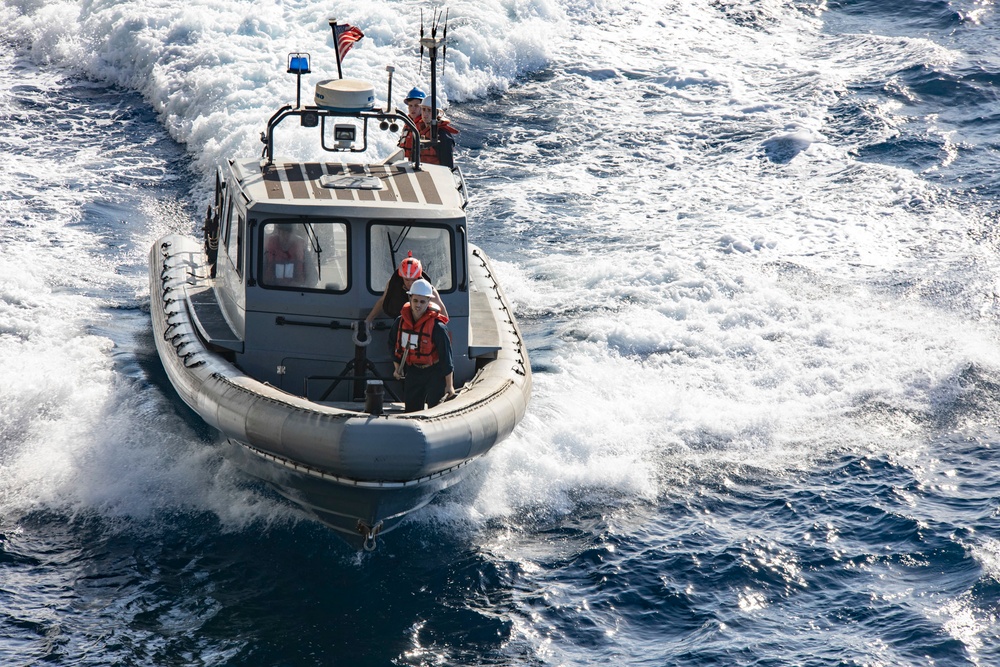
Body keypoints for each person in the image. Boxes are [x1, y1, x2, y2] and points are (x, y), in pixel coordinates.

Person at [388, 278, 456, 412]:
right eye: (415, 301)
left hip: (434, 373)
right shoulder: (400, 322)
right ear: (410, 298)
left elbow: (446, 357)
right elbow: (392, 345)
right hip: (414, 371)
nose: (418, 305)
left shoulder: (438, 327)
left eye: (422, 301)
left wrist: (449, 385)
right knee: (411, 409)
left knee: (435, 410)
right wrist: (397, 367)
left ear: (429, 302)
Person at [365, 251, 447, 325]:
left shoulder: (427, 288)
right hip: (400, 325)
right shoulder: (394, 283)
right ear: (401, 277)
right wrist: (368, 320)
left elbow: (442, 310)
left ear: (418, 277)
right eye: (407, 279)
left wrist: (442, 330)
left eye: (413, 280)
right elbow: (382, 301)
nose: (410, 283)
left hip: (422, 328)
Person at [418, 100, 459, 166]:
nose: (425, 113)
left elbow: (447, 166)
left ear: (437, 113)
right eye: (423, 109)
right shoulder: (420, 130)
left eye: (429, 110)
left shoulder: (443, 136)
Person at [398, 87, 427, 161]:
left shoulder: (425, 124)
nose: (412, 109)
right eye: (410, 105)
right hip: (405, 163)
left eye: (416, 106)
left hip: (417, 165)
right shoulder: (408, 122)